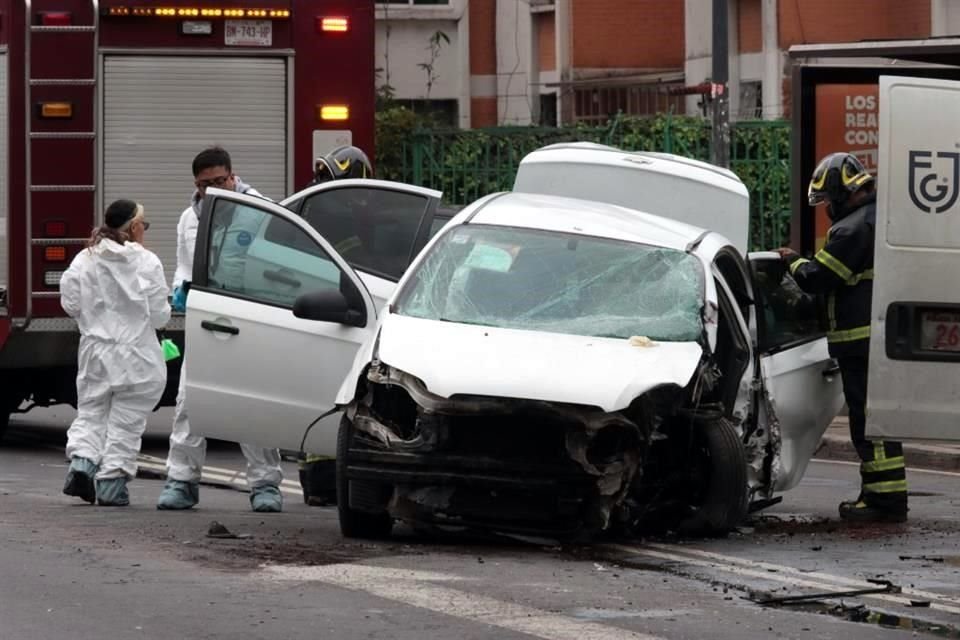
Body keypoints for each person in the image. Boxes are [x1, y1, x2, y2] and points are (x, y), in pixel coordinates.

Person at [777, 151, 908, 523]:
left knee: (870, 425)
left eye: (827, 202)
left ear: (839, 194)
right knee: (875, 422)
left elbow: (819, 277)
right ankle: (884, 495)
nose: (826, 210)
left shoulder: (853, 229)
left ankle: (884, 502)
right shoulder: (872, 219)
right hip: (873, 341)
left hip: (862, 343)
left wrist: (792, 261)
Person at [157, 146, 285, 513]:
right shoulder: (189, 218)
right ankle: (181, 479)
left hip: (248, 318)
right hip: (205, 317)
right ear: (195, 185)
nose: (212, 189)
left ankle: (264, 484)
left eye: (219, 181)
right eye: (204, 184)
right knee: (188, 402)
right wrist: (180, 289)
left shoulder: (260, 212)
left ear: (233, 175)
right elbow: (184, 265)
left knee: (251, 402)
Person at [61, 199, 170, 506]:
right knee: (126, 421)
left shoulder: (85, 258)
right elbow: (160, 316)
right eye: (143, 226)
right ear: (135, 228)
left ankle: (82, 461)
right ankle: (111, 484)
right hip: (136, 355)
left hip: (96, 351)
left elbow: (69, 302)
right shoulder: (147, 262)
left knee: (92, 412)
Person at [299, 145, 374, 506]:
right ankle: (322, 482)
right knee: (333, 399)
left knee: (326, 398)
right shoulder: (343, 219)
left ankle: (320, 483)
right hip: (335, 315)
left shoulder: (314, 209)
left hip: (333, 315)